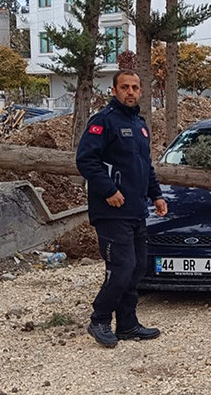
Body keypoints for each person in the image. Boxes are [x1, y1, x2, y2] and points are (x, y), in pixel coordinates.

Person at [76, 70, 168, 348]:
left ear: (141, 92)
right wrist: (109, 190)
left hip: (136, 211)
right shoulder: (103, 122)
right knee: (122, 267)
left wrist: (157, 195)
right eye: (125, 87)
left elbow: (145, 167)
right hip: (111, 211)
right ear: (114, 91)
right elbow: (86, 160)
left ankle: (127, 324)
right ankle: (100, 320)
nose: (130, 92)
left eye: (135, 87)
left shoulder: (140, 125)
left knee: (138, 267)